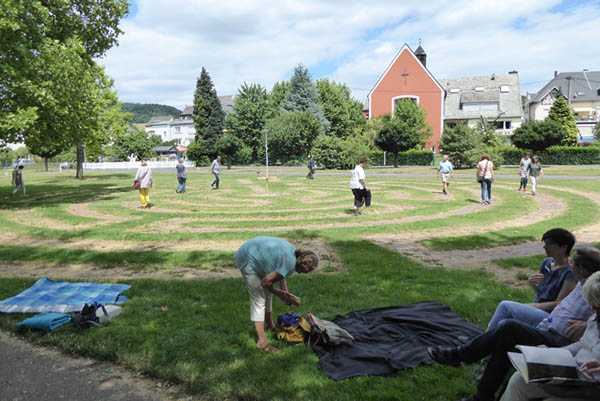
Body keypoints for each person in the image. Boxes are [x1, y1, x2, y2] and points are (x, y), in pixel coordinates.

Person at [428, 246, 600, 401]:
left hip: (560, 339)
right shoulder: (587, 285)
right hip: (549, 328)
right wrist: (552, 354)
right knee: (506, 335)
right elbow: (582, 341)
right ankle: (480, 389)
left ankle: (464, 357)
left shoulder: (593, 291)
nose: (570, 266)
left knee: (509, 329)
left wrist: (582, 329)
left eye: (575, 264)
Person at [499, 270, 600, 401]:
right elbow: (582, 343)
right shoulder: (595, 318)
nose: (592, 310)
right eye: (591, 305)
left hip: (592, 389)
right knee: (519, 380)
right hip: (575, 375)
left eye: (597, 306)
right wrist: (552, 354)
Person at [235, 236, 319, 352]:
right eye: (307, 269)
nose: (306, 272)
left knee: (268, 294)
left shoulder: (295, 256)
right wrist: (279, 293)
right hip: (247, 257)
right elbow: (265, 282)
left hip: (255, 252)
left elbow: (280, 273)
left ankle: (270, 325)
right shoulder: (290, 262)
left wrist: (286, 292)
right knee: (259, 299)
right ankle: (262, 342)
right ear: (303, 262)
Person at [487, 228, 577, 332]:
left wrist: (535, 306)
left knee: (505, 306)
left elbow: (560, 303)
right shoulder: (547, 263)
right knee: (504, 322)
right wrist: (533, 285)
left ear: (563, 247)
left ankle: (484, 339)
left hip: (551, 317)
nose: (545, 246)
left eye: (549, 244)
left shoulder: (569, 273)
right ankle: (490, 342)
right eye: (545, 243)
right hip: (537, 309)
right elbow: (543, 293)